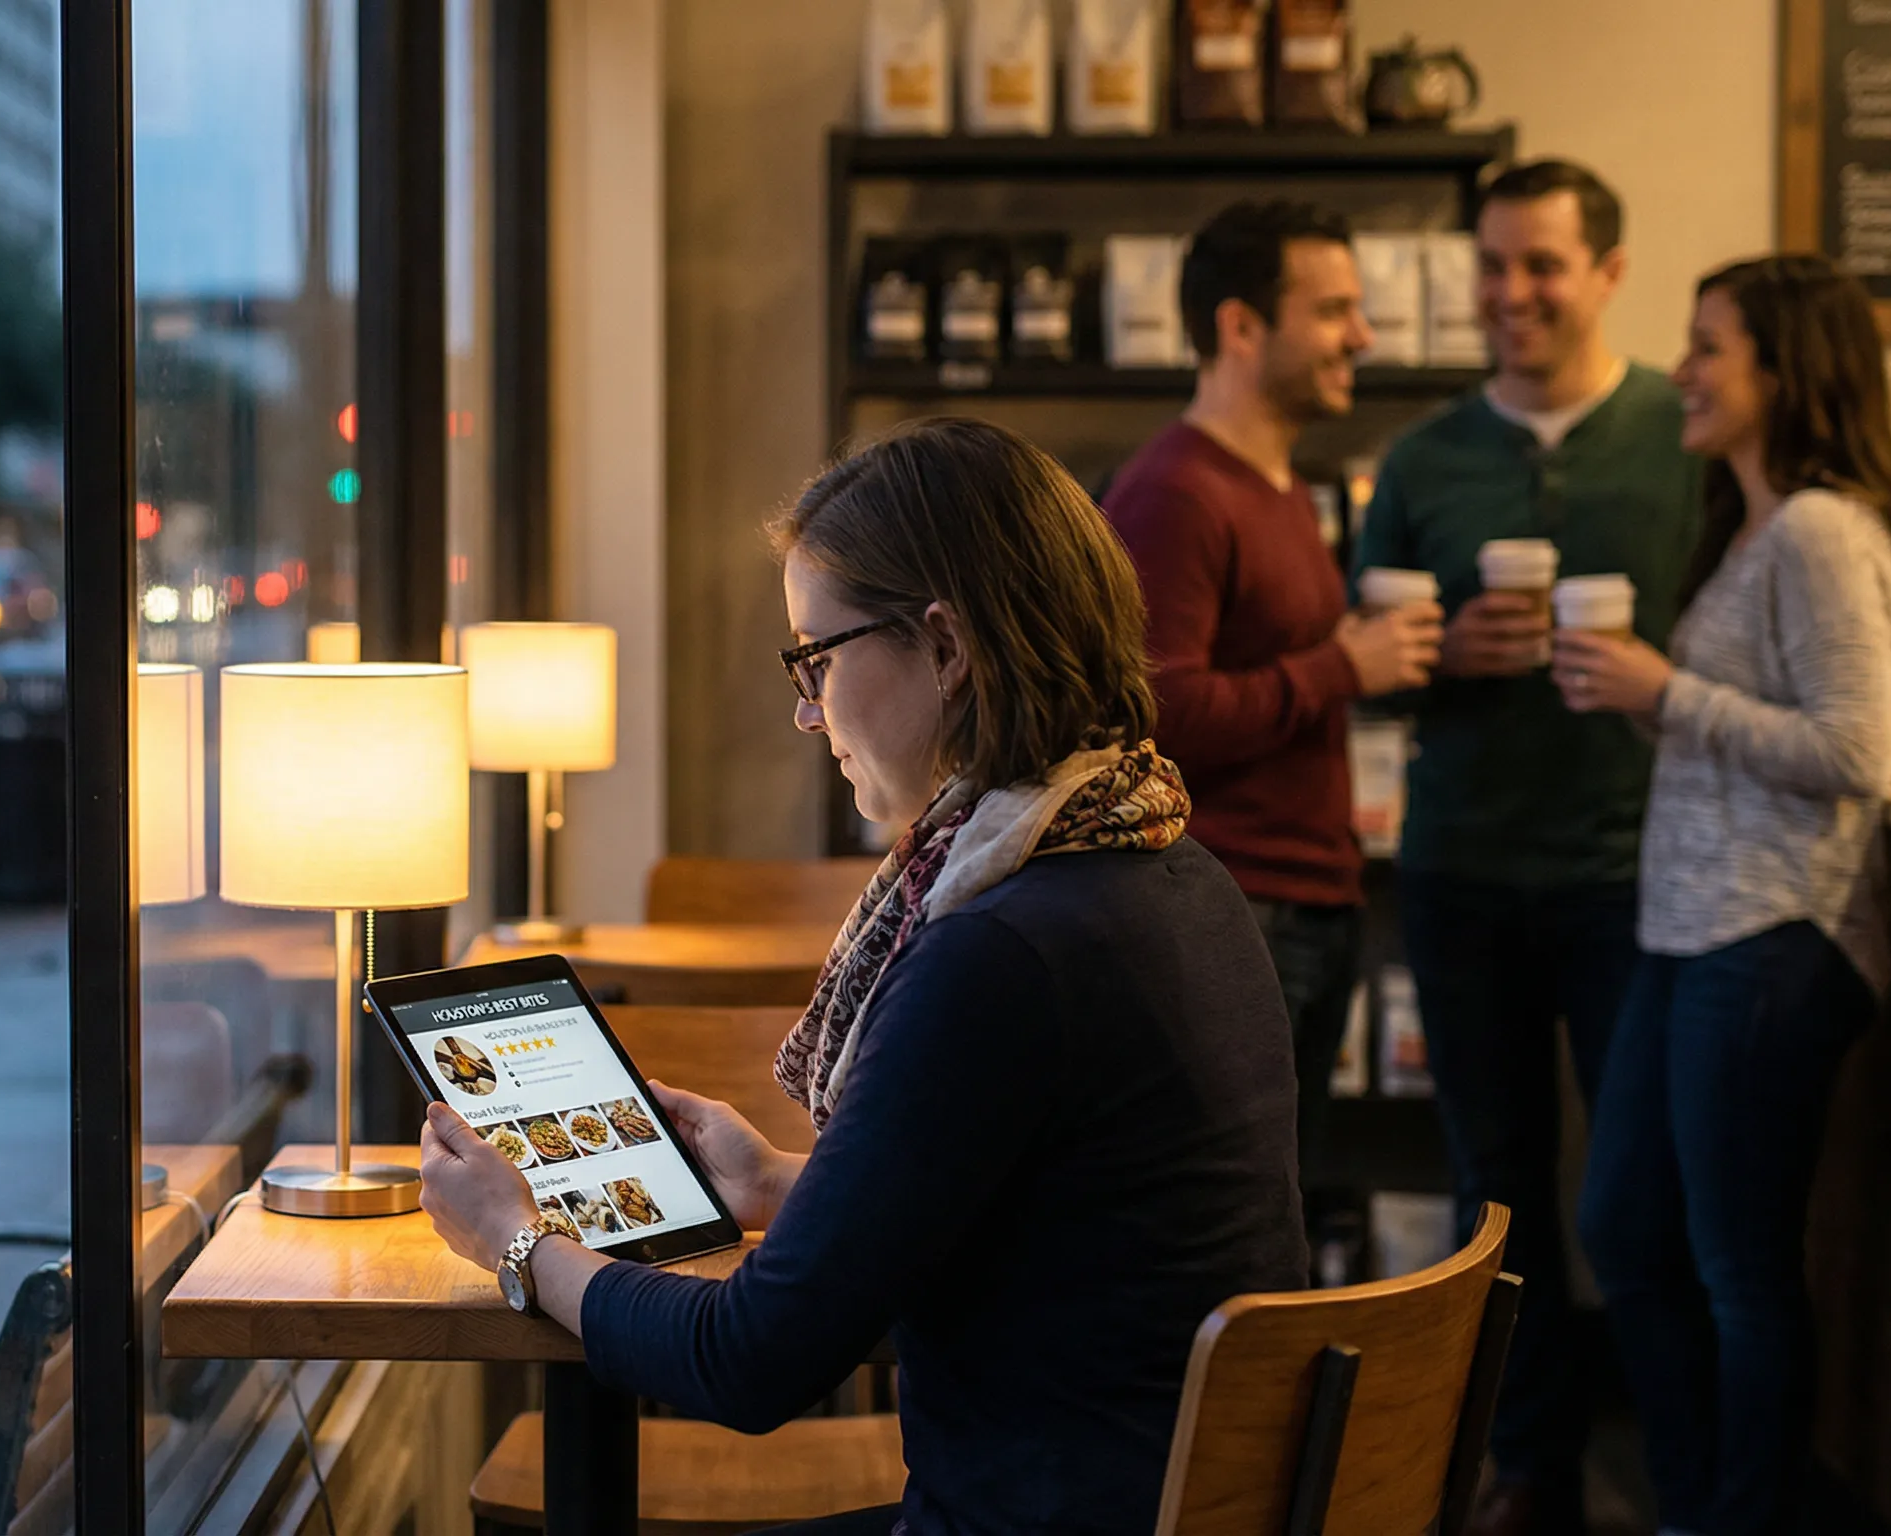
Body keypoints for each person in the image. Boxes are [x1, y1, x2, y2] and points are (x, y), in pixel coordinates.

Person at [418, 417, 1309, 1534]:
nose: (806, 709)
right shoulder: (1167, 871)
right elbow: (1063, 1234)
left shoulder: (1002, 951)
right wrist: (781, 1187)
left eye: (816, 657)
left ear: (944, 649)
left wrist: (514, 1242)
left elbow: (747, 1364)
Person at [1353, 160, 1891, 1536]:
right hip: (1579, 896)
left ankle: (1716, 1505)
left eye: (1713, 348)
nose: (1513, 292)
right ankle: (1595, 1480)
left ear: (1608, 274)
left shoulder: (1762, 495)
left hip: (1714, 920)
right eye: (1494, 263)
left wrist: (1721, 707)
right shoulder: (1474, 467)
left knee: (1709, 1252)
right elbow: (1807, 715)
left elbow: (1809, 713)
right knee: (1583, 1214)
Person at [1563, 256, 1891, 1536]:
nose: (1680, 373)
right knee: (1628, 1231)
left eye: (1708, 347)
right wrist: (1655, 700)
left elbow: (1848, 757)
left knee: (1735, 1271)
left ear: (1787, 368)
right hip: (1692, 931)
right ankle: (1701, 1502)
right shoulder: (1756, 527)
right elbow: (1831, 730)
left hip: (1774, 934)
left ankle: (1736, 1516)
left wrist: (1659, 693)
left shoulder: (1821, 529)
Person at [1101, 199, 1441, 1194]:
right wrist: (1344, 669)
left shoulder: (1276, 484)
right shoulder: (1177, 493)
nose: (1364, 337)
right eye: (1334, 310)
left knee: (1282, 1200)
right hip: (1240, 910)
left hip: (1301, 906)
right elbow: (1153, 721)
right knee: (1238, 1216)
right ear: (1242, 327)